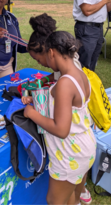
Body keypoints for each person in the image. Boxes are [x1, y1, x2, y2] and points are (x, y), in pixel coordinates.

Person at [22, 13, 93, 204]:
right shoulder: (79, 73)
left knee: (54, 201)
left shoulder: (64, 83)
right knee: (71, 197)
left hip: (70, 154)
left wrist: (32, 113)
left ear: (51, 52)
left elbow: (61, 129)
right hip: (83, 146)